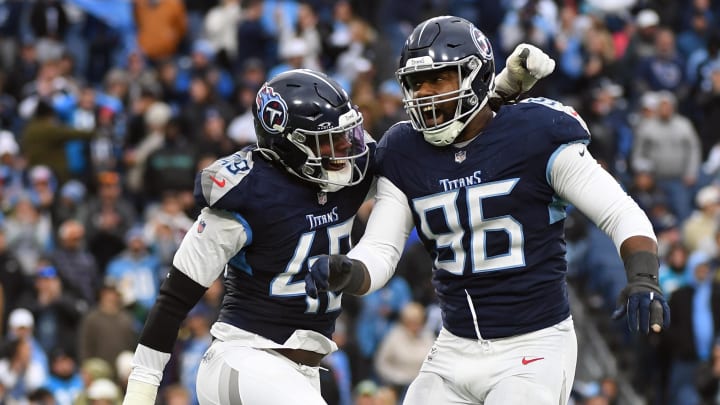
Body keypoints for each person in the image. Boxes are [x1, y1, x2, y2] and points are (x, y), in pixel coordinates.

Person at [122, 45, 555, 404]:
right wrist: (142, 389)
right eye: (330, 142)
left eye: (347, 135)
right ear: (288, 146)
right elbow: (175, 298)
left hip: (300, 372)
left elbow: (426, 144)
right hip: (245, 358)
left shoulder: (351, 172)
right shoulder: (245, 195)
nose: (347, 150)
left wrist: (497, 92)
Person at [304, 16, 671, 405]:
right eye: (416, 83)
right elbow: (381, 249)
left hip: (533, 346)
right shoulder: (404, 150)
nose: (424, 94)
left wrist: (643, 275)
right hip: (452, 346)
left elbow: (619, 211)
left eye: (438, 79)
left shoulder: (534, 133)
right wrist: (350, 269)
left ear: (475, 77)